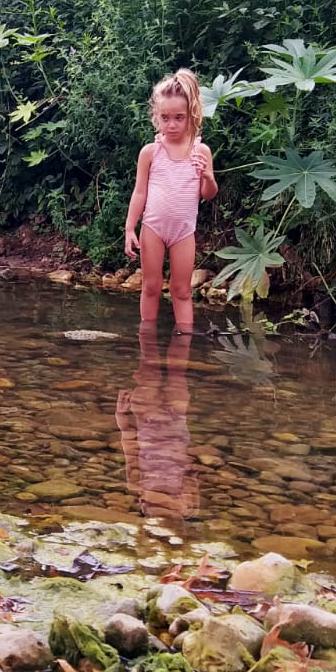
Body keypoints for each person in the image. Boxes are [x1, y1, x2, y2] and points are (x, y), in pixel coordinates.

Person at [123, 68, 217, 334]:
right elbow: (140, 192)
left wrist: (208, 176)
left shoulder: (200, 151)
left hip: (183, 232)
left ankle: (183, 347)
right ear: (156, 117)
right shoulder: (150, 152)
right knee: (151, 287)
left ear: (192, 116)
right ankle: (148, 343)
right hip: (153, 228)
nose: (172, 124)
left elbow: (207, 194)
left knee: (182, 290)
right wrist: (130, 228)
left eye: (179, 118)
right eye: (165, 118)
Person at [117, 325, 199, 521]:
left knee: (148, 373)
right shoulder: (187, 503)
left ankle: (149, 330)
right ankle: (177, 331)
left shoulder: (136, 485)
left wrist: (121, 417)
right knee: (177, 373)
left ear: (142, 502)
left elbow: (129, 448)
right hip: (176, 421)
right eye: (170, 498)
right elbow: (192, 472)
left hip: (148, 420)